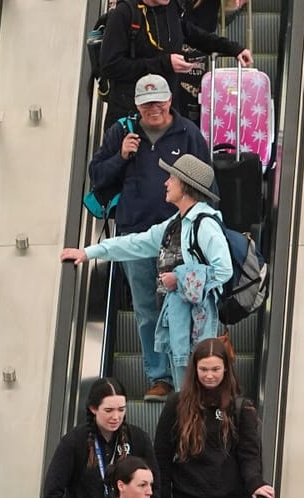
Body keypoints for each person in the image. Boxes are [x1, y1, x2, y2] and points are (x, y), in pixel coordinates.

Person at [88, 75, 211, 401]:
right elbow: (97, 176)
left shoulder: (188, 134)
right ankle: (160, 378)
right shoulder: (122, 131)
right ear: (137, 105)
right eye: (147, 103)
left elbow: (208, 184)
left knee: (185, 306)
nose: (153, 108)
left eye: (159, 101)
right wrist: (121, 156)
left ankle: (188, 379)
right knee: (146, 310)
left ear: (170, 100)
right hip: (136, 233)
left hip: (182, 236)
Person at [63, 154, 234, 387]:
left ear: (185, 186)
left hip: (197, 324)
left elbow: (224, 270)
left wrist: (180, 278)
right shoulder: (178, 222)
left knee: (197, 389)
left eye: (172, 178)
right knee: (185, 389)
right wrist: (89, 252)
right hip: (180, 318)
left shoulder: (204, 224)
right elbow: (137, 243)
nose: (166, 182)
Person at [154, 337, 275, 498]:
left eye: (216, 369)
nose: (210, 375)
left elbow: (248, 452)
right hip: (188, 495)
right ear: (194, 369)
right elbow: (161, 454)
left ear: (226, 370)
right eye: (204, 369)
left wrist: (255, 482)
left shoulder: (240, 407)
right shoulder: (177, 404)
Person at [44, 377, 160, 498]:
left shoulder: (138, 438)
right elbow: (52, 494)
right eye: (108, 410)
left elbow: (156, 485)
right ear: (93, 409)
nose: (116, 417)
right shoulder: (74, 442)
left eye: (121, 410)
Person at [98, 0, 252, 129]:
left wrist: (233, 48)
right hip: (130, 115)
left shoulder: (171, 7)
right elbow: (110, 66)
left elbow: (192, 33)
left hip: (166, 113)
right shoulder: (124, 14)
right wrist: (164, 63)